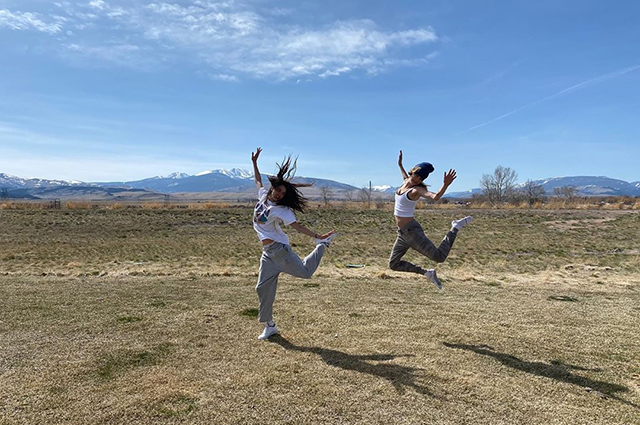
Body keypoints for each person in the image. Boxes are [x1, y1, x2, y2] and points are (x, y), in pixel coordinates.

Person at [251, 148, 337, 340]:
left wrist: (318, 236)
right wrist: (255, 163)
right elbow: (257, 180)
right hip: (267, 254)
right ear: (273, 188)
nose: (281, 194)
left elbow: (297, 227)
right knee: (261, 288)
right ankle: (270, 325)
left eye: (283, 192)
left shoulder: (283, 211)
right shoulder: (263, 196)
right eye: (279, 190)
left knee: (306, 273)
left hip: (280, 251)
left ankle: (322, 245)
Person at [388, 150, 473, 289]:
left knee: (439, 257)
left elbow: (435, 197)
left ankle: (455, 228)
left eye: (420, 178)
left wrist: (445, 185)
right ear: (413, 172)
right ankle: (427, 273)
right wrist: (400, 164)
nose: (416, 179)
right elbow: (405, 176)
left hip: (412, 232)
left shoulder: (416, 190)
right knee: (393, 264)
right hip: (402, 233)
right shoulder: (405, 182)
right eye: (416, 175)